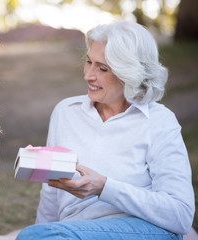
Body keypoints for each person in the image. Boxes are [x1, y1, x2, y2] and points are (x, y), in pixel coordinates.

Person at [17, 21, 195, 240]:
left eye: (102, 68)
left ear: (130, 73)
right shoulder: (66, 112)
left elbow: (181, 215)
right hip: (74, 230)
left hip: (144, 230)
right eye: (89, 62)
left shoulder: (159, 121)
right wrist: (41, 233)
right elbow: (51, 194)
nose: (88, 75)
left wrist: (104, 187)